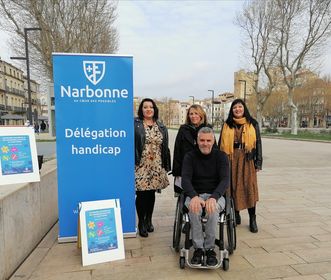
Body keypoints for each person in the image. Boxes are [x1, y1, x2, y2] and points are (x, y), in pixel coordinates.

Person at [182, 127, 229, 266]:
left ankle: (209, 249)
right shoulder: (189, 156)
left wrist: (214, 197)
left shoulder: (221, 156)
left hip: (215, 195)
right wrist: (194, 196)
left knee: (212, 210)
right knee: (194, 209)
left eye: (208, 140)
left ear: (213, 141)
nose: (205, 143)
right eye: (202, 140)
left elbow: (225, 180)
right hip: (195, 194)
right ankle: (198, 248)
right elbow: (185, 179)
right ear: (197, 141)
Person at [218, 98, 262, 233]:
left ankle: (252, 219)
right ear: (232, 110)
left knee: (249, 187)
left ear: (244, 109)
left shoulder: (252, 123)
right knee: (232, 187)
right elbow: (221, 143)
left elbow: (258, 143)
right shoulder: (227, 124)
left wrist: (258, 162)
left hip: (247, 159)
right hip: (230, 159)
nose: (237, 109)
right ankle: (235, 215)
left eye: (240, 107)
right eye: (235, 107)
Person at [134, 98, 171, 237]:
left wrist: (166, 165)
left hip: (156, 164)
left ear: (154, 109)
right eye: (145, 107)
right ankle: (141, 222)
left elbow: (165, 147)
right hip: (141, 164)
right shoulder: (135, 124)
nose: (148, 109)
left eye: (151, 107)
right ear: (141, 109)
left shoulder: (161, 126)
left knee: (151, 194)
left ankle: (149, 219)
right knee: (141, 194)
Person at [172, 104, 210, 189]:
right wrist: (177, 172)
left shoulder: (207, 130)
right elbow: (177, 151)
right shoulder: (183, 130)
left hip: (204, 169)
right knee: (185, 197)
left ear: (201, 115)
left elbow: (214, 150)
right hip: (186, 169)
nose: (193, 116)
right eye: (191, 114)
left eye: (196, 113)